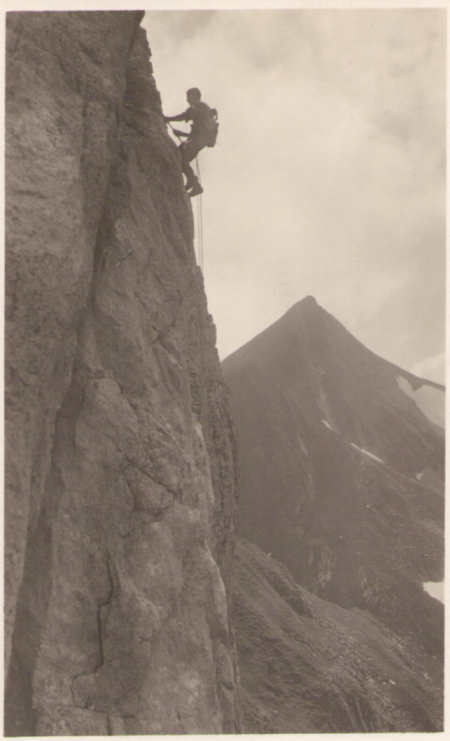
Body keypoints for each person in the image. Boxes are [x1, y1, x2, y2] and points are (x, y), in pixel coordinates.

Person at [164, 88, 215, 197]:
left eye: (188, 97)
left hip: (198, 140)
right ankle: (191, 181)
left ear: (195, 96)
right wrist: (182, 134)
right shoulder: (203, 107)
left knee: (182, 159)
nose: (187, 100)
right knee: (179, 152)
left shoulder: (197, 106)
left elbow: (184, 116)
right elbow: (199, 130)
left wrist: (167, 119)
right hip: (200, 139)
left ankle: (195, 185)